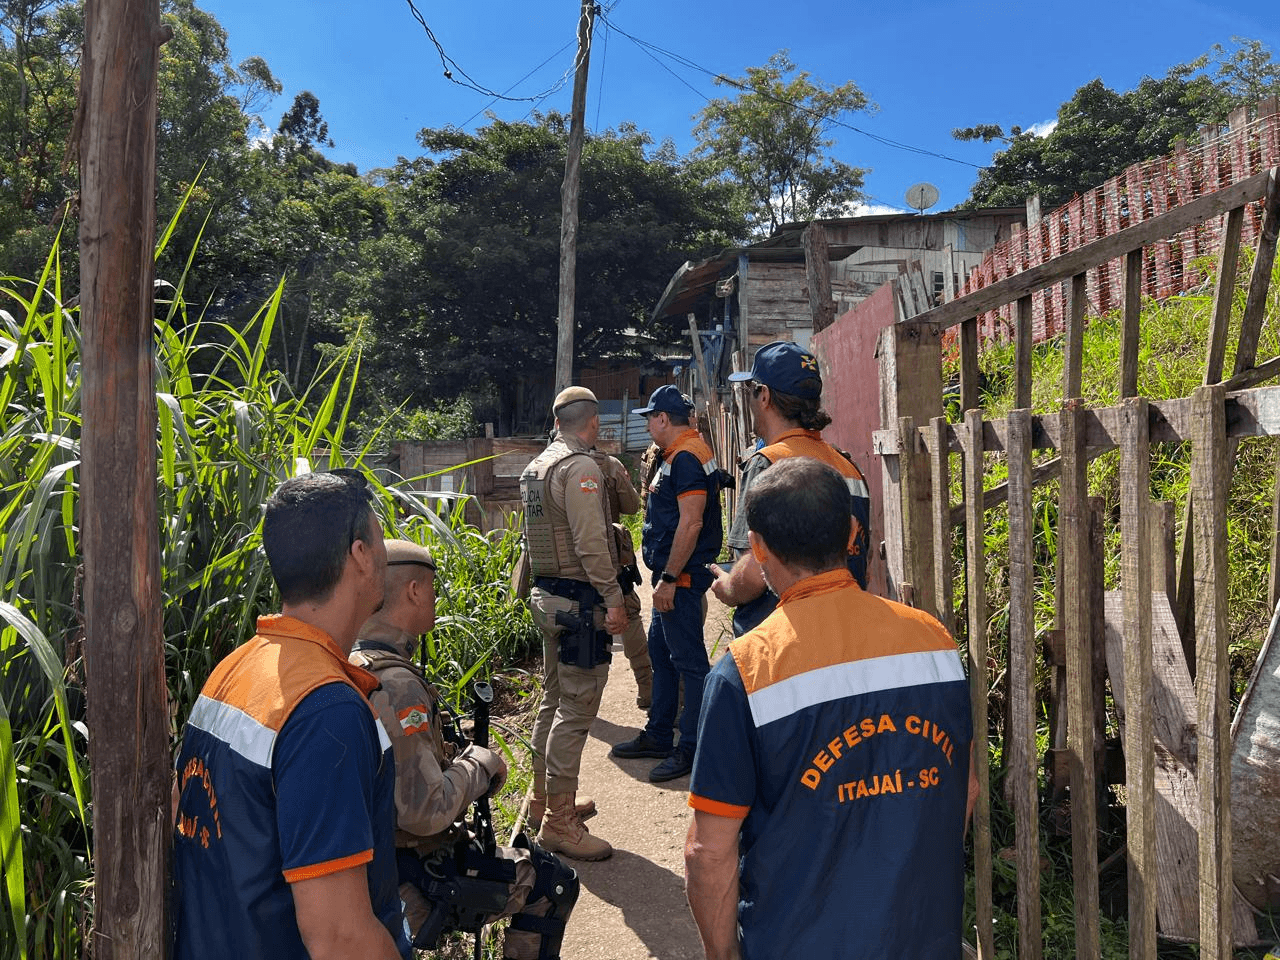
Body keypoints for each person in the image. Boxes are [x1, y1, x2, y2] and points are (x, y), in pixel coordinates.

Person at [684, 458, 978, 960]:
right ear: (852, 532)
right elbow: (963, 789)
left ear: (756, 548)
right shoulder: (934, 643)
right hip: (924, 938)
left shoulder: (744, 673)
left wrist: (722, 954)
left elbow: (708, 851)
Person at [171, 470, 410, 960]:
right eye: (380, 536)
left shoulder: (234, 668)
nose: (386, 551)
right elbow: (341, 940)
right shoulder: (327, 712)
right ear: (360, 556)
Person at [350, 539, 579, 959]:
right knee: (551, 881)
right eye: (433, 589)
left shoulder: (351, 662)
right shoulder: (398, 687)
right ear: (414, 591)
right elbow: (425, 811)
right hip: (404, 881)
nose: (435, 599)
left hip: (362, 872)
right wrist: (479, 763)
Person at [520, 386, 626, 860]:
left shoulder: (536, 467)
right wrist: (614, 598)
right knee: (577, 708)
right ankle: (560, 823)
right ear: (594, 424)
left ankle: (542, 804)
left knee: (554, 700)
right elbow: (591, 544)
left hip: (548, 598)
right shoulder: (581, 468)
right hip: (580, 603)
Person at [710, 340, 872, 636]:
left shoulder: (768, 463)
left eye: (751, 391)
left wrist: (729, 587)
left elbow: (755, 571)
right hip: (845, 632)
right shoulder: (848, 466)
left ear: (764, 397)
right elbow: (864, 555)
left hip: (781, 638)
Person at [611, 385, 723, 783]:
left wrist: (671, 579)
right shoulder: (680, 453)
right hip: (672, 576)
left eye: (649, 418)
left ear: (662, 419)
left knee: (690, 665)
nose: (647, 425)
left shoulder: (687, 458)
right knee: (661, 653)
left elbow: (691, 523)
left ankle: (691, 747)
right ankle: (659, 734)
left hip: (682, 577)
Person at [589, 445, 654, 709]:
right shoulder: (608, 465)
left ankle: (574, 703)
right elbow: (632, 506)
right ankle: (646, 687)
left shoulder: (545, 467)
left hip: (565, 570)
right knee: (628, 615)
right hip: (606, 557)